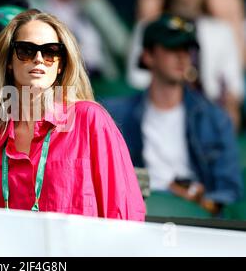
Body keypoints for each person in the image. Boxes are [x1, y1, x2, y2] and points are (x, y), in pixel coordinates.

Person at [0, 9, 145, 220]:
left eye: (50, 51)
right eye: (26, 50)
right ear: (9, 62)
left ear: (61, 65)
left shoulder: (89, 119)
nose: (39, 59)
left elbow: (124, 214)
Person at [104, 14, 243, 215]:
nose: (182, 57)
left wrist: (201, 200)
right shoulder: (116, 115)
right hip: (135, 212)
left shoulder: (215, 119)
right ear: (148, 56)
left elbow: (230, 192)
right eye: (171, 48)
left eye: (186, 49)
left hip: (194, 218)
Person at [128, 0, 244, 130]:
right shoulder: (150, 28)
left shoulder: (221, 31)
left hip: (208, 116)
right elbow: (137, 78)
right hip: (159, 115)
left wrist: (227, 111)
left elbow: (233, 85)